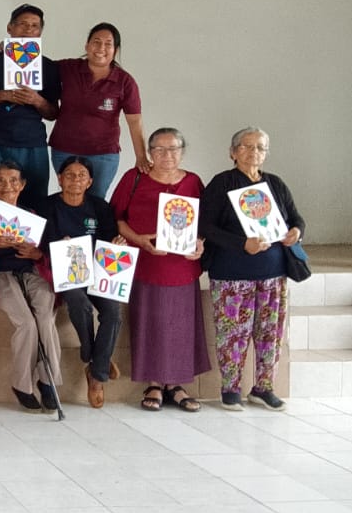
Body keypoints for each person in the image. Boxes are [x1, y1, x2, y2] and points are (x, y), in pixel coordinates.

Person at [200, 127, 305, 411]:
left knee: (270, 334)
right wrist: (241, 243)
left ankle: (263, 387)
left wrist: (296, 231)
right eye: (246, 146)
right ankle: (230, 388)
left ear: (266, 153)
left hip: (273, 274)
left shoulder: (275, 184)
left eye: (260, 147)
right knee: (232, 334)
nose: (253, 152)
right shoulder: (222, 183)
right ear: (233, 152)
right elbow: (205, 226)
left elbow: (296, 218)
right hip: (232, 274)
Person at [110, 127, 208, 412]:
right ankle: (153, 384)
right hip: (146, 263)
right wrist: (139, 240)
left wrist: (201, 243)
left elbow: (205, 222)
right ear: (150, 153)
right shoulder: (134, 178)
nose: (167, 155)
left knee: (181, 326)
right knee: (149, 325)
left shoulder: (193, 182)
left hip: (182, 266)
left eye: (174, 148)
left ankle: (176, 385)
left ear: (182, 152)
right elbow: (116, 218)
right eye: (160, 149)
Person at [37, 156, 121, 408]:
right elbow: (40, 242)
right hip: (66, 271)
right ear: (59, 179)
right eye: (69, 175)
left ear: (90, 182)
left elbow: (109, 241)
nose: (75, 180)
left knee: (113, 312)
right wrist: (57, 245)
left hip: (98, 271)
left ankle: (96, 371)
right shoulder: (47, 206)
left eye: (81, 175)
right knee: (78, 301)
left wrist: (116, 245)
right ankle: (95, 361)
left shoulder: (100, 207)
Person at [0, 161, 61, 412]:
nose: (8, 186)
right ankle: (22, 384)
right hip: (0, 274)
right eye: (1, 180)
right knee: (26, 322)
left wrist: (36, 254)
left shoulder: (31, 215)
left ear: (23, 185)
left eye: (14, 180)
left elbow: (45, 252)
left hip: (32, 272)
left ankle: (48, 382)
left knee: (45, 319)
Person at [0, 3, 61, 209]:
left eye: (34, 26)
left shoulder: (47, 66)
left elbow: (53, 112)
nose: (28, 30)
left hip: (32, 143)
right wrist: (2, 95)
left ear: (40, 33)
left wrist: (36, 100)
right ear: (9, 28)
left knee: (34, 204)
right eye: (22, 24)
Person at [49, 22, 148, 198]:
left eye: (108, 44)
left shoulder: (125, 81)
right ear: (87, 45)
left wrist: (141, 157)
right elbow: (36, 66)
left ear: (115, 50)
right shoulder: (68, 68)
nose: (101, 48)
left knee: (95, 202)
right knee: (69, 198)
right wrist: (9, 50)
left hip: (103, 155)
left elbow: (135, 122)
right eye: (96, 42)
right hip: (64, 150)